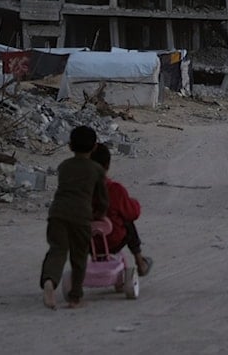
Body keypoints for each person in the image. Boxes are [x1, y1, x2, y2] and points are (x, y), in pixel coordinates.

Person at [39, 125, 109, 310]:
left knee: (57, 250)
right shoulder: (96, 169)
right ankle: (75, 297)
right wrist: (99, 215)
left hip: (57, 213)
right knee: (79, 257)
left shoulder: (64, 166)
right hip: (81, 216)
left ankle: (49, 281)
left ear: (70, 146)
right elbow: (102, 199)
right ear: (94, 147)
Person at [89, 145, 153, 278]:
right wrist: (133, 203)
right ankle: (140, 261)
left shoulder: (79, 190)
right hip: (113, 240)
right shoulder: (115, 190)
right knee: (127, 221)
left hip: (87, 241)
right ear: (107, 166)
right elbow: (133, 213)